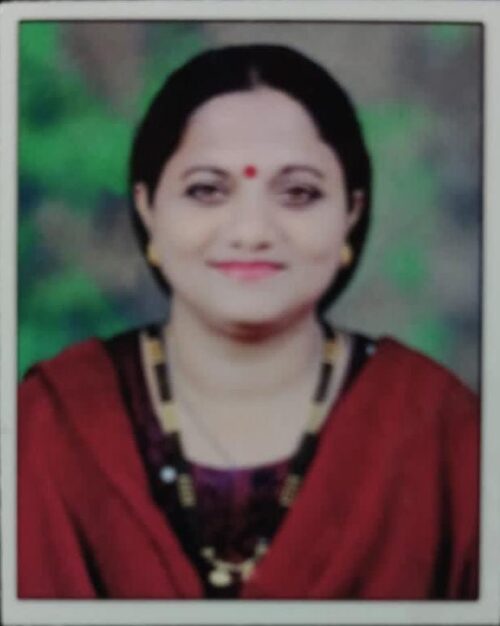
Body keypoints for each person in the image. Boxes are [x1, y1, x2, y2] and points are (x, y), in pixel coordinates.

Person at [18, 44, 479, 600]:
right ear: (148, 208)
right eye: (207, 190)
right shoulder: (51, 425)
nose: (252, 231)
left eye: (299, 193)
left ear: (351, 213)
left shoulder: (438, 429)